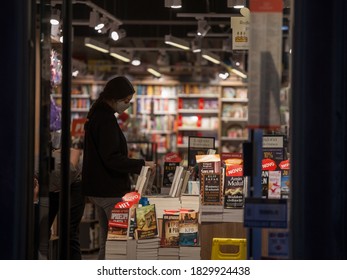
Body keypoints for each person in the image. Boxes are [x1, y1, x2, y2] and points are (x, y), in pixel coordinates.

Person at [82, 76, 155, 260]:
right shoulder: (105, 120)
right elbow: (112, 159)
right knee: (116, 244)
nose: (127, 105)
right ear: (115, 98)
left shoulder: (99, 115)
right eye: (126, 101)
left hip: (99, 188)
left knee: (107, 242)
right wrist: (141, 164)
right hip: (109, 189)